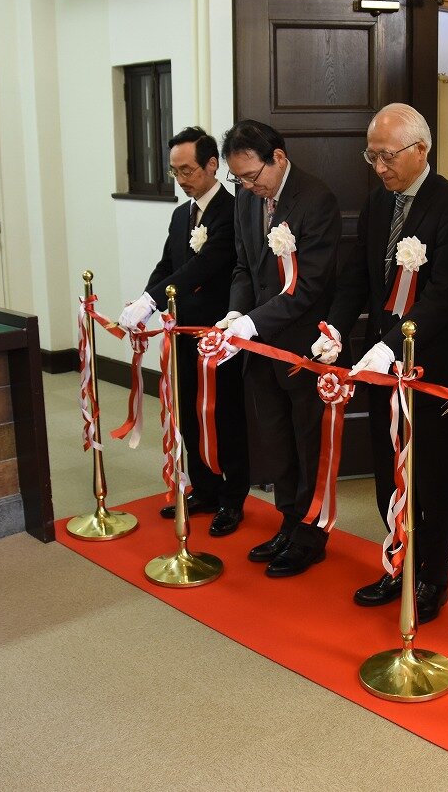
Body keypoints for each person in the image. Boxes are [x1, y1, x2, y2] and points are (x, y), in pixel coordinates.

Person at [313, 103, 448, 624]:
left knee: (429, 477)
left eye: (387, 156)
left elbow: (445, 294)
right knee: (388, 470)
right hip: (381, 362)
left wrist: (392, 343)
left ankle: (433, 579)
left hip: (430, 365)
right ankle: (396, 562)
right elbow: (356, 279)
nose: (379, 167)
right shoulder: (377, 205)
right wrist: (337, 328)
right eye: (373, 156)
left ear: (420, 150)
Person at [216, 120, 341, 577]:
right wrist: (235, 313)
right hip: (258, 346)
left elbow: (309, 287)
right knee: (276, 439)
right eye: (240, 180)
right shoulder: (247, 203)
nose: (248, 187)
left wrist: (251, 321)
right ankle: (288, 521)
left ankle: (312, 532)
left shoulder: (316, 198)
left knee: (308, 442)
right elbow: (244, 267)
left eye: (253, 176)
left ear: (279, 158)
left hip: (302, 348)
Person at [118, 126, 249, 536]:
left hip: (218, 335)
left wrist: (154, 300)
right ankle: (205, 488)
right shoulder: (180, 215)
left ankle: (232, 498)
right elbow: (169, 265)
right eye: (175, 172)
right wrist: (143, 298)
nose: (181, 179)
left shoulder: (232, 211)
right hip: (182, 333)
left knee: (224, 416)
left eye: (188, 170)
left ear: (213, 165)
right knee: (191, 413)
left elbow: (203, 266)